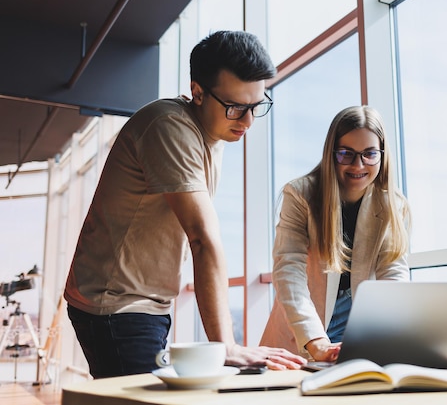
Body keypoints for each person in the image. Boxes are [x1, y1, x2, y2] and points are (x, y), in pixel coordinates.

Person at [63, 30, 306, 379]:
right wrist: (226, 346)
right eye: (236, 107)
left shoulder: (213, 132)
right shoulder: (170, 126)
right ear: (197, 92)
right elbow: (202, 238)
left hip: (142, 303)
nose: (248, 121)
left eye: (257, 105)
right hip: (115, 305)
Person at [260, 105, 411, 362]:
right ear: (332, 154)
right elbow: (289, 272)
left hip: (358, 321)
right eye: (346, 154)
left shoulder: (392, 203)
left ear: (382, 155)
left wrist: (391, 330)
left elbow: (393, 273)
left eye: (369, 154)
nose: (358, 165)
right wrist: (314, 339)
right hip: (305, 321)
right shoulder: (300, 194)